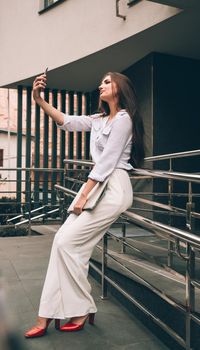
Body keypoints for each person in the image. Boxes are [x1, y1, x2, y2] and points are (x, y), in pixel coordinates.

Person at [24, 71, 145, 338]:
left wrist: (82, 195)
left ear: (120, 87)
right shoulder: (99, 119)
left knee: (67, 244)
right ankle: (61, 312)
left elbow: (107, 162)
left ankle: (67, 312)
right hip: (97, 188)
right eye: (100, 81)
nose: (100, 85)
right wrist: (38, 99)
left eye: (106, 81)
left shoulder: (124, 119)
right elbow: (65, 121)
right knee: (64, 245)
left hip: (112, 189)